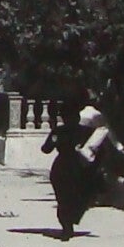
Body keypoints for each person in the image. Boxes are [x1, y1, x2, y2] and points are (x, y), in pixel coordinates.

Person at [42, 101, 107, 239]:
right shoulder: (86, 132)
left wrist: (54, 140)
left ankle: (67, 226)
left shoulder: (58, 132)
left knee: (63, 199)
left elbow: (46, 149)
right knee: (75, 198)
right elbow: (100, 148)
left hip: (62, 168)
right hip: (79, 168)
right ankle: (69, 223)